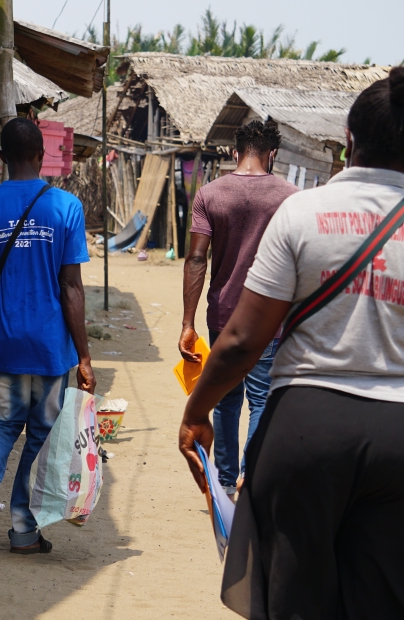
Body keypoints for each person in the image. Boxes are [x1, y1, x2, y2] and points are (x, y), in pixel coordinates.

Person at [179, 66, 404, 618]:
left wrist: (196, 409)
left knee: (295, 602)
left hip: (304, 434)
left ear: (348, 139)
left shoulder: (301, 214)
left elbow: (244, 339)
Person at [0, 118, 95, 555]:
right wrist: (83, 356)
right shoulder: (66, 207)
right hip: (49, 348)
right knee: (41, 436)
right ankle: (24, 531)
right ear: (41, 155)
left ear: (1, 159)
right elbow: (71, 287)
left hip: (2, 342)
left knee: (1, 425)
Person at [179, 120, 297, 496]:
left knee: (227, 399)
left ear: (235, 152)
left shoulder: (210, 194)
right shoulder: (290, 197)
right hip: (271, 319)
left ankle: (226, 482)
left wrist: (187, 322)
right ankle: (253, 476)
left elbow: (196, 260)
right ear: (272, 154)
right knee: (262, 398)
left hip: (223, 316)